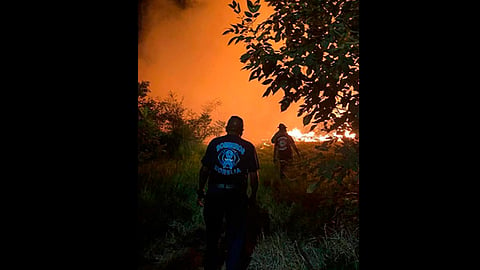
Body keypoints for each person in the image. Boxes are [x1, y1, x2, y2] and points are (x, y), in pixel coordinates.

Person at [197, 115, 260, 270]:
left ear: (226, 128)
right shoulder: (248, 146)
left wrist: (200, 190)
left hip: (214, 194)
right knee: (236, 234)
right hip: (236, 196)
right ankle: (232, 265)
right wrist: (252, 197)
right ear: (242, 131)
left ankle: (211, 265)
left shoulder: (214, 143)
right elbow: (254, 176)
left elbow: (204, 170)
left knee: (212, 233)